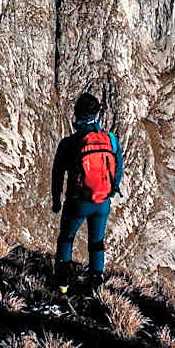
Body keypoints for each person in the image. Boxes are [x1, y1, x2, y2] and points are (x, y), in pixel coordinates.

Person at [51, 92, 123, 293]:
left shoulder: (69, 143)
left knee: (66, 238)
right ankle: (95, 285)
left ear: (76, 114)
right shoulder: (111, 140)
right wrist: (110, 191)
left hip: (77, 202)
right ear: (98, 114)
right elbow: (117, 171)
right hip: (102, 202)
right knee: (97, 242)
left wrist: (56, 200)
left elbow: (57, 173)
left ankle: (62, 285)